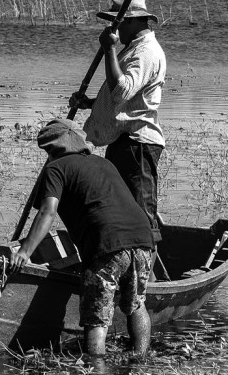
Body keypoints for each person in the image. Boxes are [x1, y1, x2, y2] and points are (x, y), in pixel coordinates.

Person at [10, 119, 155, 356]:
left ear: (53, 149)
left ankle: (96, 372)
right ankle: (140, 357)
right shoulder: (104, 163)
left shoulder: (56, 168)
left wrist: (25, 251)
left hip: (106, 245)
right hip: (142, 240)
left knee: (96, 318)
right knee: (137, 304)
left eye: (47, 150)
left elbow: (48, 211)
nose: (47, 156)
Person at [70, 0, 167, 245]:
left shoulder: (146, 52)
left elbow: (122, 90)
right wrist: (90, 103)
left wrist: (109, 49)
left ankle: (146, 277)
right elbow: (124, 100)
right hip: (124, 141)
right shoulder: (133, 49)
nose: (114, 27)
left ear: (135, 21)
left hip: (138, 144)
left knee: (140, 211)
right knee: (121, 209)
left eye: (118, 22)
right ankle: (130, 267)